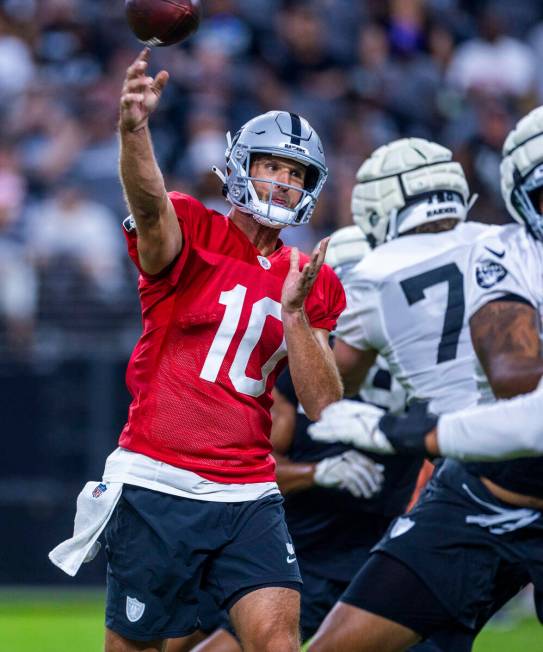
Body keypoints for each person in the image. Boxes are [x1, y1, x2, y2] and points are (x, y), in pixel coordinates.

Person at [49, 48, 346, 652]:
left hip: (248, 488)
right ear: (239, 167)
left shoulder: (310, 275)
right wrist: (134, 133)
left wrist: (293, 311)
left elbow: (324, 404)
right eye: (272, 166)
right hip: (159, 477)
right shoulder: (194, 228)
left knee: (278, 642)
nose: (284, 183)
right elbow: (151, 205)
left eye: (296, 174)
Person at [308, 112, 543, 652]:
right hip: (478, 473)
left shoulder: (373, 271)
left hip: (464, 467)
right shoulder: (497, 242)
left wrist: (300, 321)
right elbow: (514, 383)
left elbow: (327, 393)